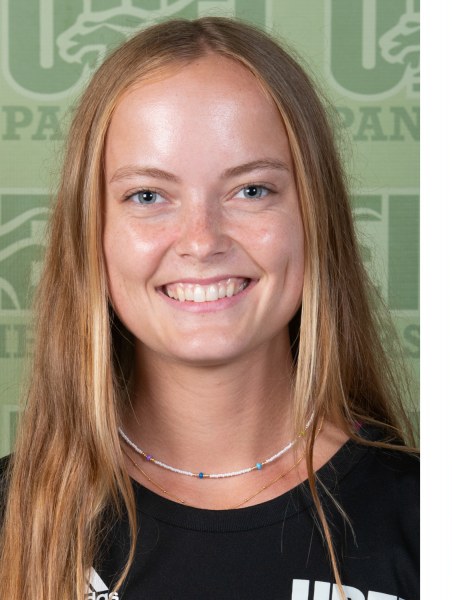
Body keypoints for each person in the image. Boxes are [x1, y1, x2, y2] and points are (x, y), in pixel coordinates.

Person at [0, 17, 418, 599]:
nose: (202, 240)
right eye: (148, 196)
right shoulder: (10, 522)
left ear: (314, 218)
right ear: (92, 233)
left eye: (251, 190)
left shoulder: (432, 525)